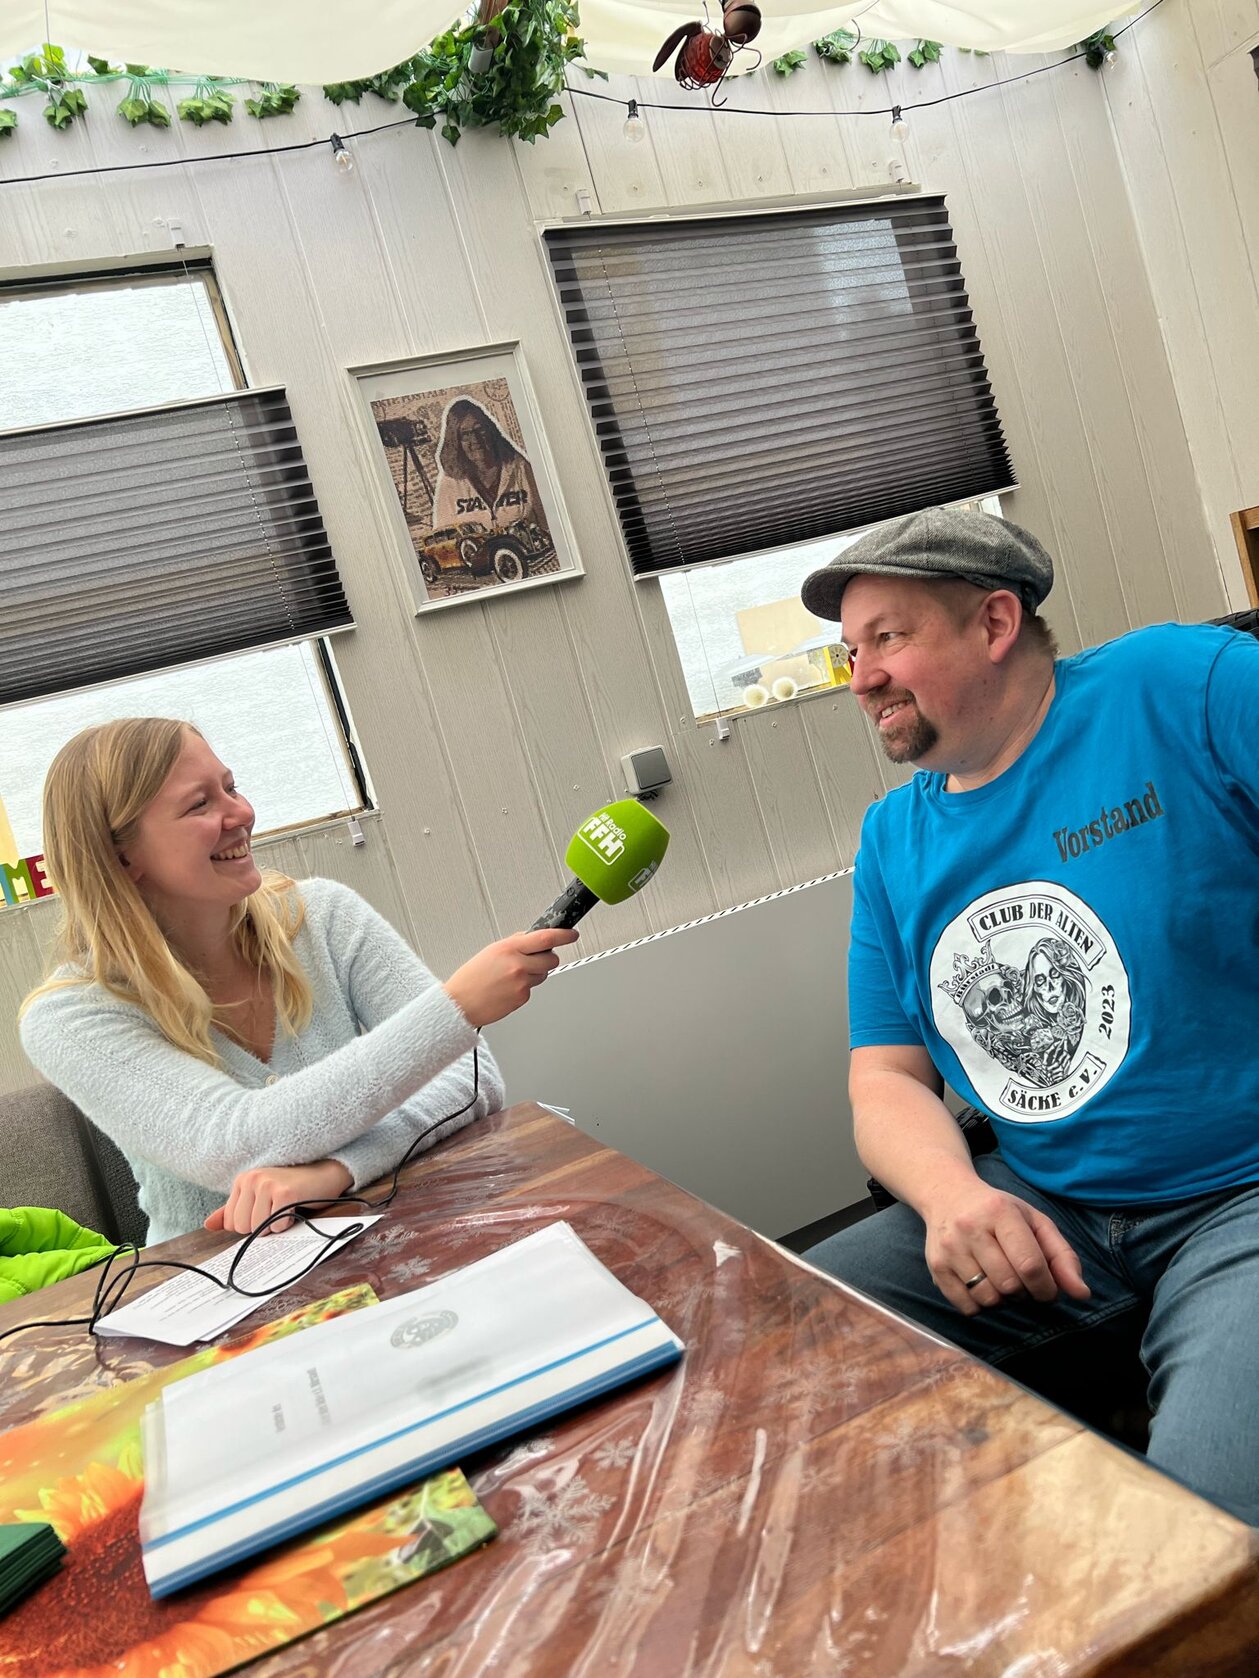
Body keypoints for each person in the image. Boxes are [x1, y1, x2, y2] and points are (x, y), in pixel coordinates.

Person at [797, 505, 1259, 1524]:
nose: (860, 676)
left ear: (994, 624)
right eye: (848, 652)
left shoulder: (1180, 687)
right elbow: (884, 1076)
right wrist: (949, 1197)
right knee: (779, 1336)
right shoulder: (893, 839)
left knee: (1209, 1539)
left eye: (886, 637)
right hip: (1044, 1203)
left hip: (1239, 1194)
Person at [19, 718, 577, 1246]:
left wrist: (338, 1171)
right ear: (122, 858)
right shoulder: (69, 1017)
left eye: (231, 787)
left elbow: (471, 1079)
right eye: (200, 804)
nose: (241, 813)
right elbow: (240, 1142)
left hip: (390, 1233)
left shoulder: (323, 917)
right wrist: (453, 1008)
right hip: (215, 1283)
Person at [431, 397, 543, 533]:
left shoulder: (521, 468)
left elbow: (548, 519)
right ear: (455, 442)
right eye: (465, 434)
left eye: (480, 430)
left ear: (490, 432)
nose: (475, 439)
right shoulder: (450, 483)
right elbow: (442, 535)